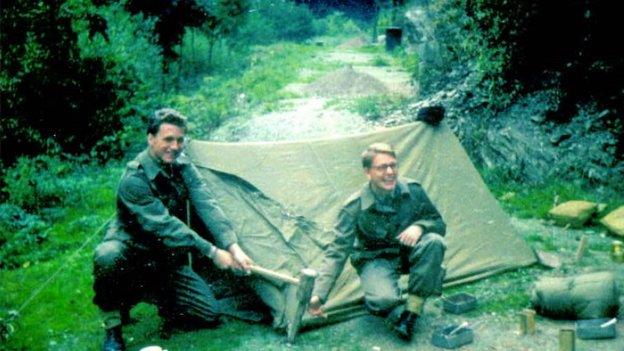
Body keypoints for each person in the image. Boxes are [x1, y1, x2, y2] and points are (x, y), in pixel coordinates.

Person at [92, 108, 253, 351]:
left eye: (179, 140)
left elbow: (207, 204)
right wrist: (212, 252)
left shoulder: (183, 166)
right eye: (168, 139)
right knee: (107, 256)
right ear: (151, 138)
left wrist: (233, 247)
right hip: (131, 252)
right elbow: (165, 225)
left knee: (208, 314)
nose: (175, 146)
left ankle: (162, 300)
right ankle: (113, 326)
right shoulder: (134, 179)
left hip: (164, 257)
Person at [308, 142, 446, 341]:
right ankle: (381, 295)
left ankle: (411, 313)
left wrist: (420, 226)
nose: (390, 172)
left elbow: (438, 223)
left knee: (434, 241)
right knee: (382, 300)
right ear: (367, 172)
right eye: (382, 167)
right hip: (376, 259)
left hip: (408, 253)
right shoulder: (354, 207)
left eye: (393, 165)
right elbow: (337, 252)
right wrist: (318, 295)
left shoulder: (413, 190)